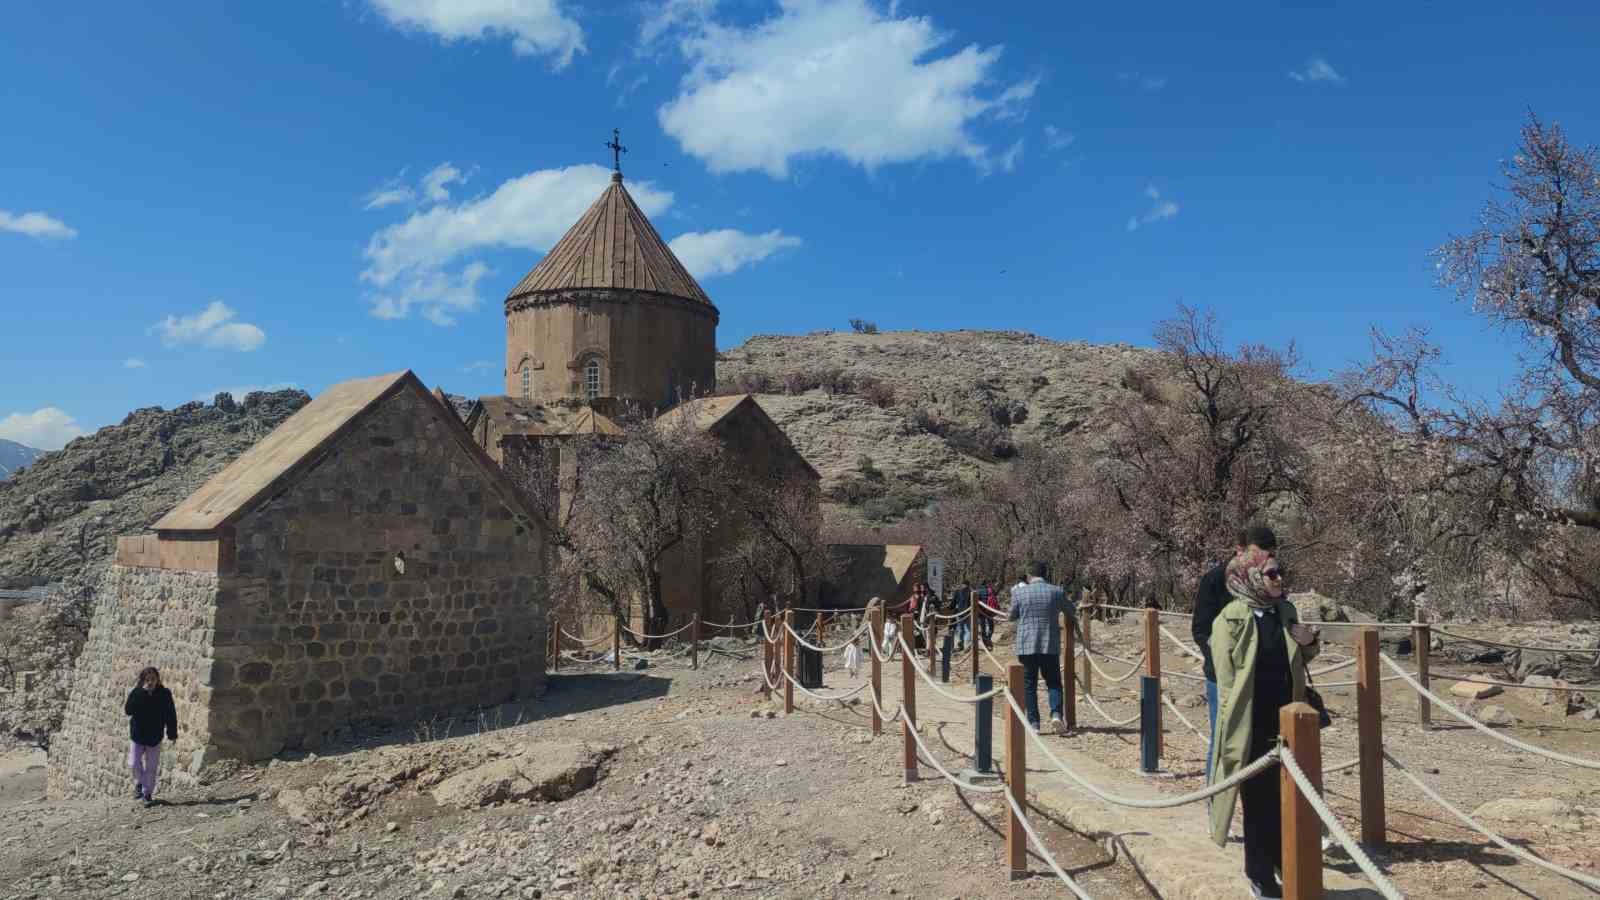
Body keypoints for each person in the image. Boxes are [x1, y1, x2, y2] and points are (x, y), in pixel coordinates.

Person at [1208, 548, 1320, 899]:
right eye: (1271, 573)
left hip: (1289, 719)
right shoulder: (1229, 618)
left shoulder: (1285, 611)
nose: (1279, 578)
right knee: (1257, 802)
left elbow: (1302, 657)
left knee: (1289, 797)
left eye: (1279, 572)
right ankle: (1259, 874)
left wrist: (1310, 641)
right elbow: (1225, 680)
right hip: (1251, 724)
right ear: (1251, 577)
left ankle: (1285, 863)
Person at [1194, 525, 1277, 783]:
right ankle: (1215, 803)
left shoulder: (1271, 578)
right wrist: (1226, 656)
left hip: (1261, 676)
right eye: (1256, 553)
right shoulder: (1214, 580)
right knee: (1223, 741)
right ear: (1239, 550)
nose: (1262, 560)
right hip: (1223, 677)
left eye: (1268, 554)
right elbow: (1200, 629)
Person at [1008, 561, 1073, 735]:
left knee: (1029, 684)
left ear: (1029, 575)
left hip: (1026, 644)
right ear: (1045, 574)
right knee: (1053, 682)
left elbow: (1011, 616)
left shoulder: (1019, 593)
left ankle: (1034, 723)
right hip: (1049, 643)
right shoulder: (1056, 591)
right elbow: (1070, 610)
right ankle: (1056, 714)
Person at [124, 666, 178, 808]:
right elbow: (128, 710)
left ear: (158, 680)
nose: (150, 682)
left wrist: (172, 733)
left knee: (152, 767)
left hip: (155, 736)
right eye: (147, 680)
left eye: (153, 679)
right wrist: (141, 692)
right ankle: (140, 782)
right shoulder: (137, 693)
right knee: (134, 762)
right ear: (143, 681)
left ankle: (147, 794)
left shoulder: (164, 694)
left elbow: (170, 714)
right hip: (138, 735)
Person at [974, 582, 998, 650]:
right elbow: (995, 596)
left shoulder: (977, 591)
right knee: (991, 625)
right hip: (989, 611)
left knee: (983, 627)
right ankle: (988, 638)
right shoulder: (990, 590)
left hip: (981, 612)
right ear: (986, 584)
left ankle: (984, 641)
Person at [949, 581, 972, 652]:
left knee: (960, 629)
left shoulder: (958, 592)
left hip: (959, 613)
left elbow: (953, 603)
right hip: (968, 613)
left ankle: (960, 645)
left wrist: (950, 608)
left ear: (962, 585)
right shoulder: (971, 592)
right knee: (968, 630)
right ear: (968, 585)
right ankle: (966, 646)